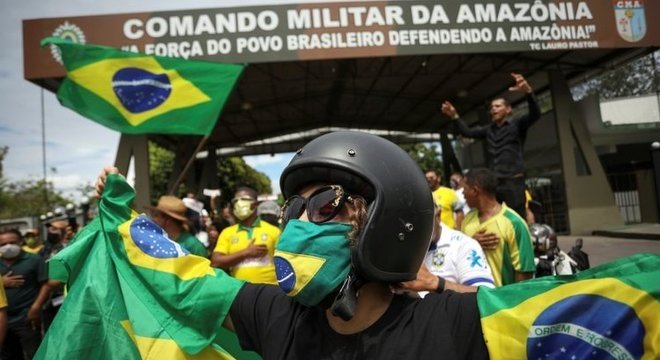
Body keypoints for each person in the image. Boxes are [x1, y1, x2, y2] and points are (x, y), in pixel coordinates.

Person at [94, 131, 489, 359]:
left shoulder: (448, 324)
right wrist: (122, 221)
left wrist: (439, 284)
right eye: (294, 208)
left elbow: (539, 314)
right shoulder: (277, 315)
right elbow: (181, 279)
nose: (298, 223)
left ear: (383, 221)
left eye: (323, 204)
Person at [442, 73, 540, 219]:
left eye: (498, 106)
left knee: (516, 217)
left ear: (508, 110)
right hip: (494, 182)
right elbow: (467, 132)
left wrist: (528, 92)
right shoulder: (488, 130)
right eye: (492, 107)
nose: (493, 109)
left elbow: (535, 114)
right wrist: (454, 116)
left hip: (513, 181)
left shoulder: (517, 125)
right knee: (494, 216)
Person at [460, 168, 536, 287]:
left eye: (464, 189)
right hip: (472, 301)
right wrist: (471, 243)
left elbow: (525, 272)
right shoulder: (467, 221)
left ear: (475, 190)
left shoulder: (514, 223)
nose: (462, 194)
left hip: (502, 302)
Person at [399, 207, 495, 297]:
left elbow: (486, 296)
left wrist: (435, 283)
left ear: (438, 215)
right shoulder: (401, 244)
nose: (418, 231)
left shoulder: (463, 245)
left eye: (423, 222)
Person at [211, 187, 281, 285]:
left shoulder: (274, 231)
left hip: (270, 291)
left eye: (244, 199)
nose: (239, 203)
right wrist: (246, 253)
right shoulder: (227, 232)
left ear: (256, 204)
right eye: (236, 200)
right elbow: (216, 262)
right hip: (239, 291)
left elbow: (285, 264)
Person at [0, 229, 51, 359]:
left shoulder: (34, 260)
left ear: (20, 242)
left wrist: (36, 307)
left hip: (26, 317)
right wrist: (2, 282)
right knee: (9, 355)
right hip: (3, 320)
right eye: (3, 244)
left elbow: (46, 284)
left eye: (12, 242)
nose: (8, 246)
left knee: (35, 353)